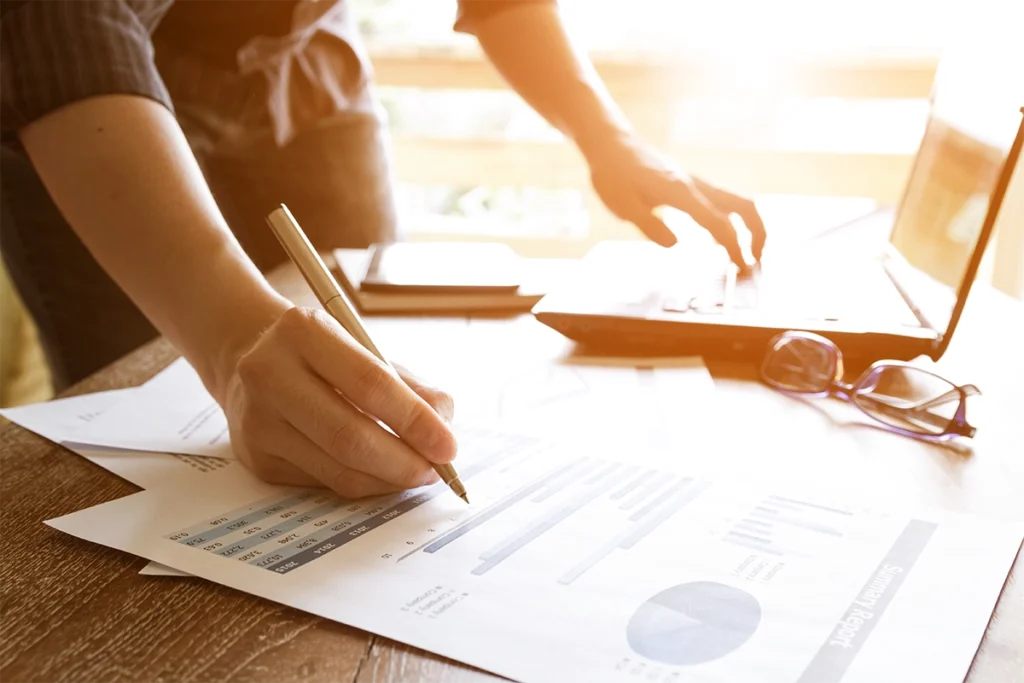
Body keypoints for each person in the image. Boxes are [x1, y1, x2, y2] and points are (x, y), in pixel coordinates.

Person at [0, 0, 766, 498]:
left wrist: (607, 136)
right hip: (91, 98)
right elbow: (61, 24)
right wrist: (229, 339)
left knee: (364, 367)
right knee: (130, 425)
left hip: (311, 67)